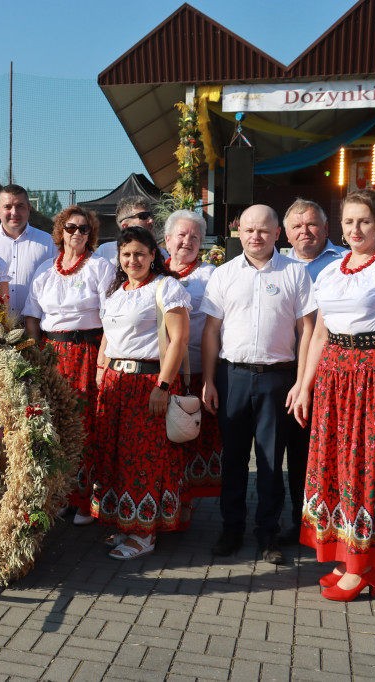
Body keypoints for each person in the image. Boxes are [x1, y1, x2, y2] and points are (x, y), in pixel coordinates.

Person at [292, 189, 375, 601]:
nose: (355, 229)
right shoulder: (331, 271)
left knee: (367, 467)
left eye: (364, 221)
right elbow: (319, 334)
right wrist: (304, 385)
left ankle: (362, 565)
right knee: (336, 466)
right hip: (336, 383)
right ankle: (349, 554)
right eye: (349, 222)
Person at [201, 204, 315, 565]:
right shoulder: (223, 274)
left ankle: (269, 534)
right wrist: (208, 380)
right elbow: (211, 331)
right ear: (238, 232)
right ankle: (231, 529)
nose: (255, 236)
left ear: (277, 233)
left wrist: (301, 382)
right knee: (233, 459)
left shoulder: (296, 274)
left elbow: (307, 330)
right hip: (232, 377)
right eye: (248, 230)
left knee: (271, 461)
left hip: (278, 380)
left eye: (263, 230)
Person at [92, 225, 191, 560]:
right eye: (126, 254)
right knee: (116, 456)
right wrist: (100, 370)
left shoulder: (166, 288)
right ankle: (125, 522)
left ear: (153, 256)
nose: (133, 260)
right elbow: (108, 337)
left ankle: (145, 533)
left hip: (149, 383)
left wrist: (163, 386)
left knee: (143, 459)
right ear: (119, 258)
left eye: (140, 253)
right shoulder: (116, 291)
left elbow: (178, 340)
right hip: (115, 385)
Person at [23, 206, 114, 525]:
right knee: (56, 426)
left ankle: (86, 499)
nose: (78, 233)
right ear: (61, 231)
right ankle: (61, 495)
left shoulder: (100, 267)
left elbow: (110, 317)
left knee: (85, 424)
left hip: (87, 351)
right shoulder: (45, 271)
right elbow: (32, 316)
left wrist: (103, 360)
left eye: (85, 229)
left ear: (92, 235)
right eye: (72, 228)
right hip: (53, 354)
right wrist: (36, 355)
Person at [280, 199, 347, 544]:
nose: (304, 231)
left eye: (312, 225)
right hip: (282, 370)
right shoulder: (275, 264)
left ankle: (325, 520)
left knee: (319, 451)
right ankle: (295, 518)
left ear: (325, 228)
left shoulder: (345, 263)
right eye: (297, 226)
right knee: (291, 447)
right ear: (287, 233)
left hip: (331, 373)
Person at [161, 210, 221, 521]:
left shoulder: (212, 276)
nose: (187, 241)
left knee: (192, 438)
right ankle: (169, 504)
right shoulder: (153, 273)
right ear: (167, 240)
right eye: (181, 235)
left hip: (198, 370)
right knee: (166, 443)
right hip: (162, 374)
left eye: (194, 237)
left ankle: (186, 507)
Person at [0, 185, 54, 319]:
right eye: (7, 207)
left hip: (36, 328)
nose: (14, 212)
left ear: (29, 209)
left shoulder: (48, 243)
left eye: (20, 206)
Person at [96, 196, 167, 265]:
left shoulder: (161, 254)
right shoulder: (105, 252)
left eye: (150, 215)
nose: (151, 220)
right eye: (143, 216)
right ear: (125, 226)